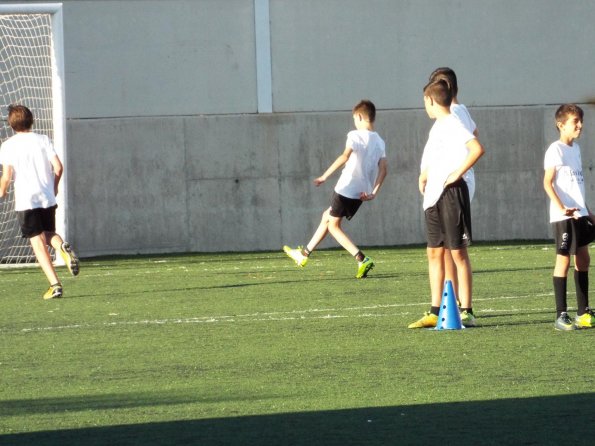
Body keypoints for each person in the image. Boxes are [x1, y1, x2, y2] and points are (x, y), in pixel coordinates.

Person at [408, 78, 485, 328]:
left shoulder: (453, 122)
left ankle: (467, 310)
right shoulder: (437, 128)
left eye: (425, 103)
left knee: (458, 252)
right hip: (434, 195)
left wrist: (457, 174)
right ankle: (435, 309)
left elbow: (476, 148)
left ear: (431, 100)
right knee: (434, 251)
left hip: (452, 193)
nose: (425, 108)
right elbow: (435, 157)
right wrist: (424, 175)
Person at [283, 99, 387, 278]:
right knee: (327, 217)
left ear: (360, 116)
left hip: (346, 188)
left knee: (333, 225)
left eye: (355, 118)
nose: (354, 122)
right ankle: (304, 254)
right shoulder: (380, 141)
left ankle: (361, 258)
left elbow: (344, 157)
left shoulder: (354, 135)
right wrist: (373, 193)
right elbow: (384, 169)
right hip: (362, 192)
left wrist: (324, 176)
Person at [0, 104, 79, 299]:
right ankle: (62, 247)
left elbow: (7, 175)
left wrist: (2, 191)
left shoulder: (9, 145)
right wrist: (54, 186)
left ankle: (55, 285)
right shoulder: (43, 140)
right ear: (31, 120)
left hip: (27, 200)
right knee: (49, 234)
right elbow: (58, 167)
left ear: (11, 124)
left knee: (37, 243)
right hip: (46, 196)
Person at [428, 67, 479, 304]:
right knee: (444, 248)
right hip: (446, 184)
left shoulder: (453, 114)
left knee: (454, 248)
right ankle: (450, 301)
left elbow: (474, 143)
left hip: (455, 186)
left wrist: (457, 172)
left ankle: (459, 302)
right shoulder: (459, 111)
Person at [543, 104, 595, 330]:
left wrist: (588, 211)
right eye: (575, 122)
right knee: (563, 260)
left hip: (580, 213)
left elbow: (576, 185)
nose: (580, 126)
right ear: (561, 124)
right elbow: (547, 182)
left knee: (583, 259)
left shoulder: (576, 149)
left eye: (581, 121)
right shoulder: (555, 149)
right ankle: (560, 314)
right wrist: (561, 206)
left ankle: (583, 312)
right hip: (564, 215)